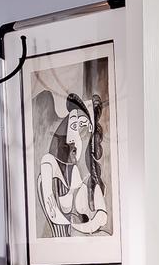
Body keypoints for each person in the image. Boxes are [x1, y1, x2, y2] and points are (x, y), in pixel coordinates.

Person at [38, 92, 109, 237]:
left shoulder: (90, 178)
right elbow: (53, 213)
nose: (74, 134)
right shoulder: (50, 164)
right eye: (73, 126)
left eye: (82, 127)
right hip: (61, 243)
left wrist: (78, 227)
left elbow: (101, 217)